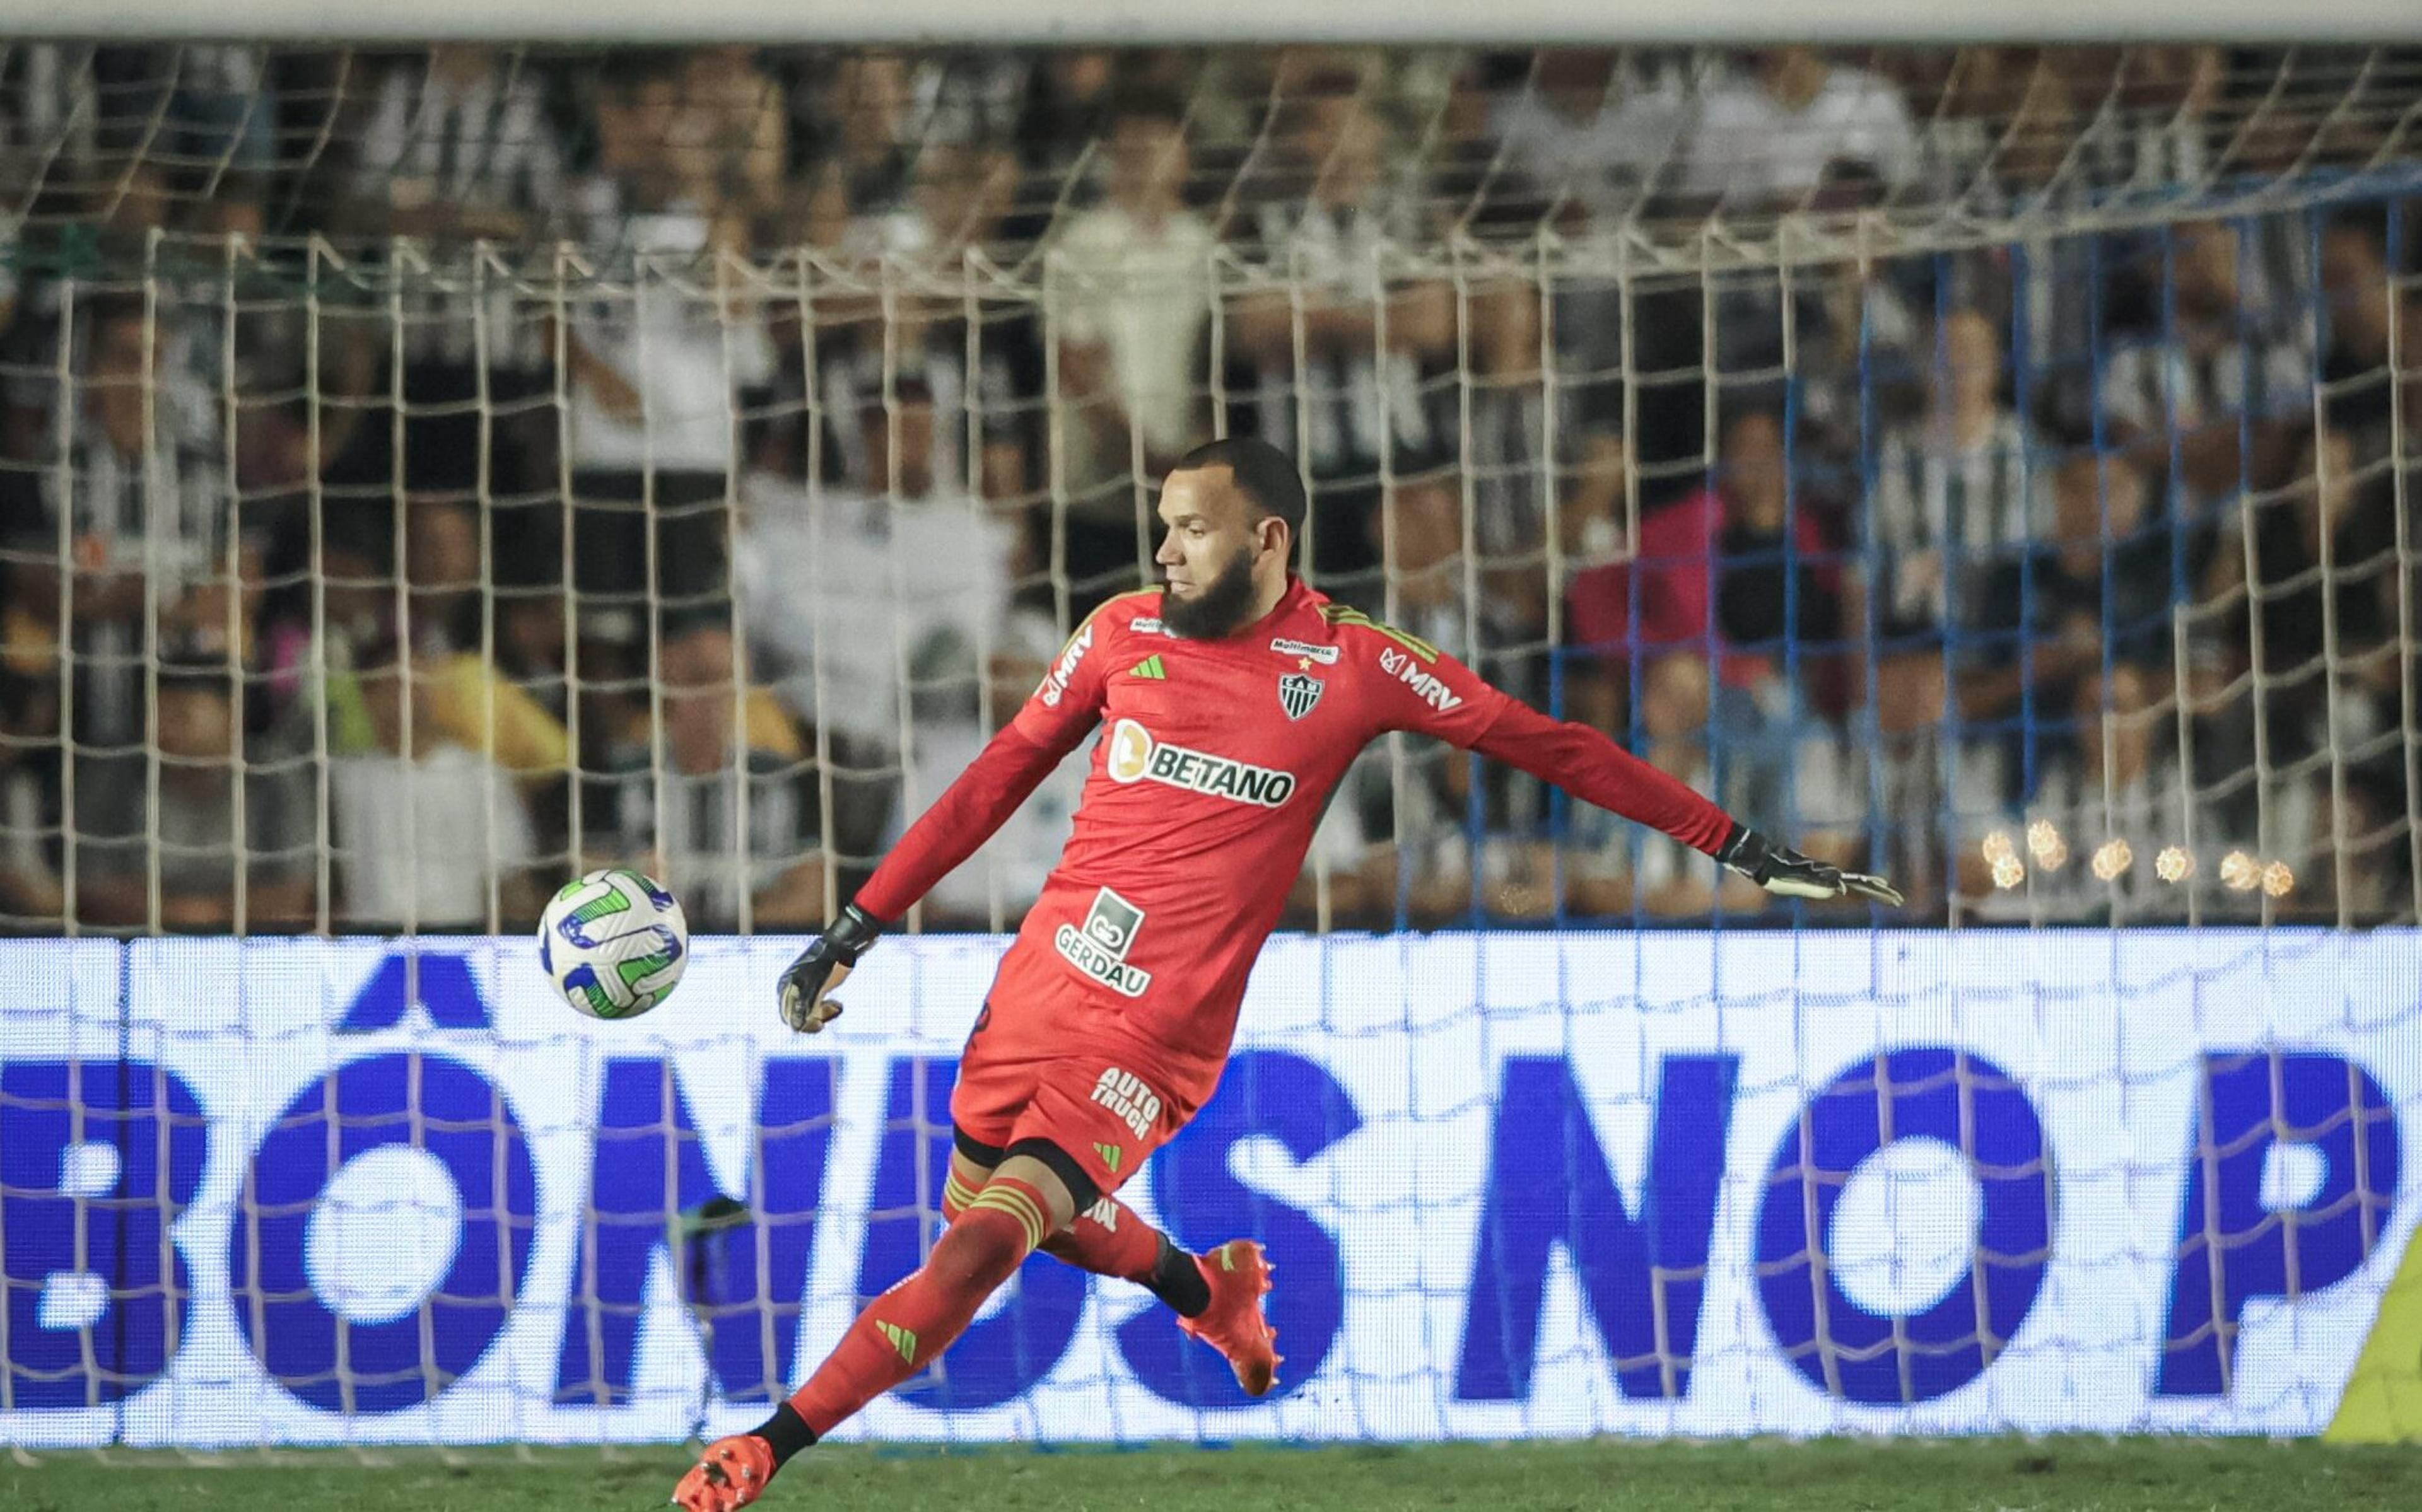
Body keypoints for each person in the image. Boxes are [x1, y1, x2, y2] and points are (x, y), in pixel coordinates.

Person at [670, 436, 1899, 1512]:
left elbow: (1553, 743)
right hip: (1037, 984)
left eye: (1189, 530)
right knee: (990, 1216)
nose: (1164, 551)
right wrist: (857, 921)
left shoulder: (1353, 660)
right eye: (1159, 529)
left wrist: (1732, 842)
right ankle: (1204, 1287)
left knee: (979, 1250)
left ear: (1266, 536)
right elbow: (993, 781)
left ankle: (765, 1447)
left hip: (1154, 1037)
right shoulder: (1117, 635)